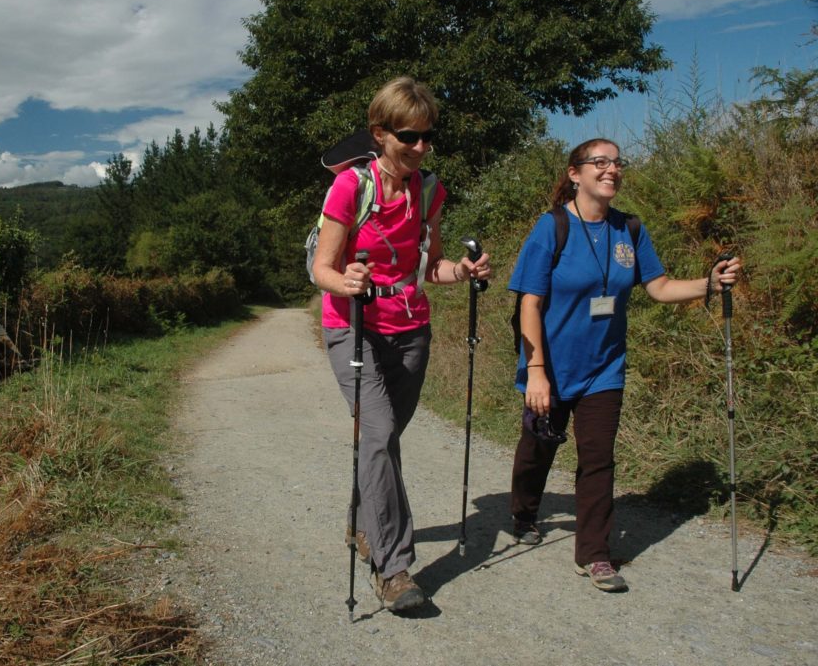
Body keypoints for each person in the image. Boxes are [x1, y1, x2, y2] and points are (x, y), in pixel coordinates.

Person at [507, 137, 742, 592]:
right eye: (600, 162)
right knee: (537, 450)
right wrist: (536, 371)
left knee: (598, 458)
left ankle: (595, 554)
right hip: (552, 367)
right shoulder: (551, 227)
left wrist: (708, 284)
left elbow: (659, 287)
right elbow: (529, 303)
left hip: (604, 368)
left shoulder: (630, 229)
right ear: (575, 174)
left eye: (617, 163)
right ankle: (523, 511)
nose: (611, 169)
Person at [312, 76, 491, 612]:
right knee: (381, 432)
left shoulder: (430, 189)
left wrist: (460, 270)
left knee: (382, 442)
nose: (420, 147)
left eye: (427, 137)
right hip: (353, 326)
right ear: (380, 133)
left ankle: (363, 521)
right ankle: (394, 571)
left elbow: (427, 266)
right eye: (409, 137)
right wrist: (344, 282)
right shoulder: (350, 187)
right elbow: (323, 266)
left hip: (411, 327)